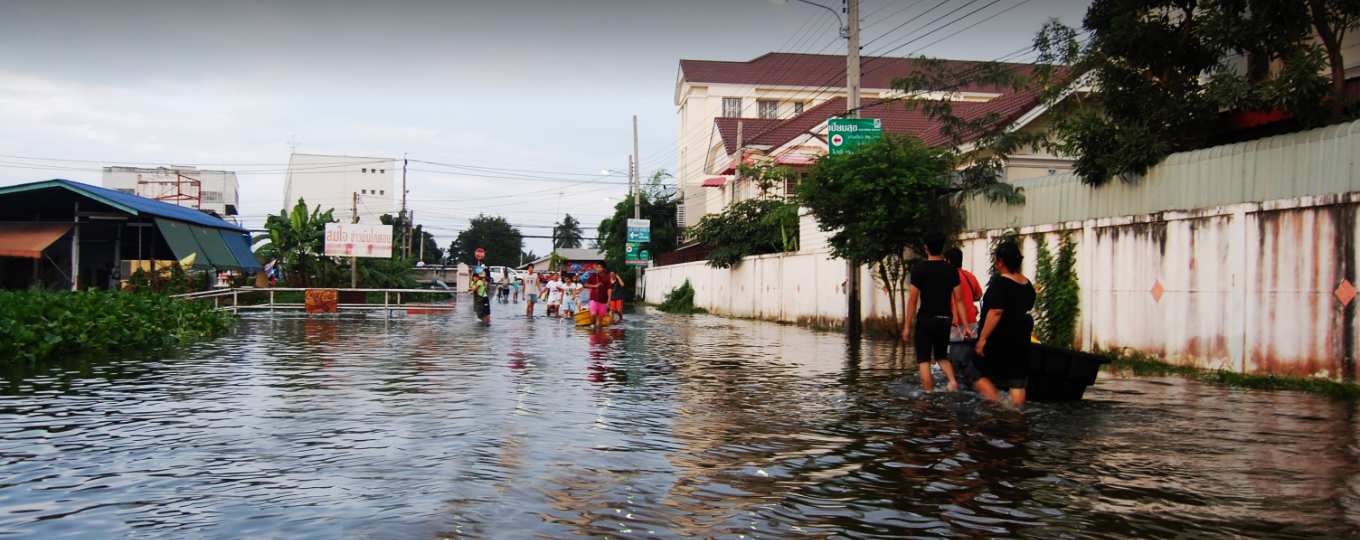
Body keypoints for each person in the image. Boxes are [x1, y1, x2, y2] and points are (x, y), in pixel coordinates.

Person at [903, 231, 971, 392]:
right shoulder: (952, 270)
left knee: (924, 360)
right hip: (945, 319)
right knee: (941, 355)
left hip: (926, 320)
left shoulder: (919, 270)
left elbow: (913, 300)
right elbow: (959, 300)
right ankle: (953, 382)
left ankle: (929, 395)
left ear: (926, 247)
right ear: (943, 247)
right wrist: (966, 325)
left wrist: (907, 326)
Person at [971, 241, 1036, 405]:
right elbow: (1027, 307)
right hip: (1020, 338)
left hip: (1000, 338)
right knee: (1017, 381)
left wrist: (983, 338)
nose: (994, 263)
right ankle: (1017, 416)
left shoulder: (1000, 283)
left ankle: (1000, 404)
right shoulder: (1027, 284)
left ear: (1001, 261)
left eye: (995, 259)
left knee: (974, 371)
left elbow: (996, 311)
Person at [944, 248, 984, 333]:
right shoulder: (970, 276)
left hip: (954, 322)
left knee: (953, 345)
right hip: (971, 320)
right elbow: (979, 295)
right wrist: (967, 297)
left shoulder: (949, 276)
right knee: (969, 345)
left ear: (949, 261)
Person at [584, 263, 610, 330]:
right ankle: (594, 326)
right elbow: (586, 285)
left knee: (600, 318)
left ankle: (599, 334)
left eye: (600, 267)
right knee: (593, 314)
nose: (598, 269)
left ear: (604, 269)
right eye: (597, 267)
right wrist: (594, 286)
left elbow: (609, 288)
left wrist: (609, 299)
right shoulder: (593, 276)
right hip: (593, 298)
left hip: (603, 299)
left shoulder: (607, 277)